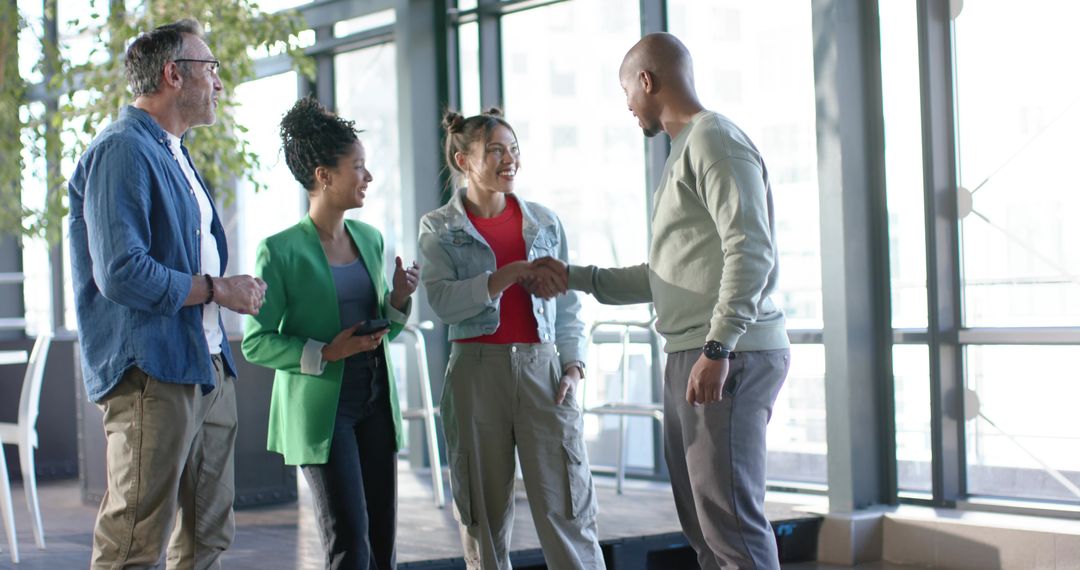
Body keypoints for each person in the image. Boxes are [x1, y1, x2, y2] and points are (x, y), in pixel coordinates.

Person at [532, 32, 791, 570]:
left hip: (726, 353)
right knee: (703, 527)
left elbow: (751, 249)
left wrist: (719, 347)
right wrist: (576, 277)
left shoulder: (714, 140)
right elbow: (667, 277)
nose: (628, 105)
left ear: (646, 81)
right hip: (694, 351)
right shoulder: (683, 151)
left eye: (627, 91)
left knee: (731, 526)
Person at [68, 19, 267, 570]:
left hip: (206, 363)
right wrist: (217, 289)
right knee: (133, 542)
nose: (219, 82)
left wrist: (222, 293)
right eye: (211, 68)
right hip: (153, 372)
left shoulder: (174, 151)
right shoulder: (122, 149)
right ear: (173, 75)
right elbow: (122, 272)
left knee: (207, 537)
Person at [417, 109, 605, 570]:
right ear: (463, 160)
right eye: (496, 151)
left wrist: (573, 365)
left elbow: (568, 305)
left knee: (569, 509)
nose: (510, 160)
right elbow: (441, 302)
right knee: (483, 518)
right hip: (476, 374)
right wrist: (503, 277)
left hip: (545, 373)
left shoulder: (545, 222)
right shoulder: (439, 227)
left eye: (514, 149)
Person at [241, 96, 419, 570]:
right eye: (357, 167)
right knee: (349, 544)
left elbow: (382, 331)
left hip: (375, 399)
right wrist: (324, 352)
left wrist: (399, 299)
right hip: (324, 411)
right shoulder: (279, 250)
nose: (368, 176)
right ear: (323, 175)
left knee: (382, 543)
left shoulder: (371, 239)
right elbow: (256, 340)